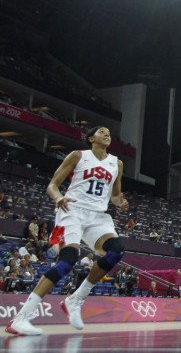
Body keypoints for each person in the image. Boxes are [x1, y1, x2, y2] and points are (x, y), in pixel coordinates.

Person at [6, 126, 128, 336]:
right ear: (91, 138)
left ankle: (75, 299)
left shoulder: (116, 163)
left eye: (109, 132)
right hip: (71, 210)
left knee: (116, 250)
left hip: (98, 216)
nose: (107, 134)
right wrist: (58, 197)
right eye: (101, 131)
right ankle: (21, 318)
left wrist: (121, 202)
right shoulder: (78, 156)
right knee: (67, 261)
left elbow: (115, 195)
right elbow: (53, 184)